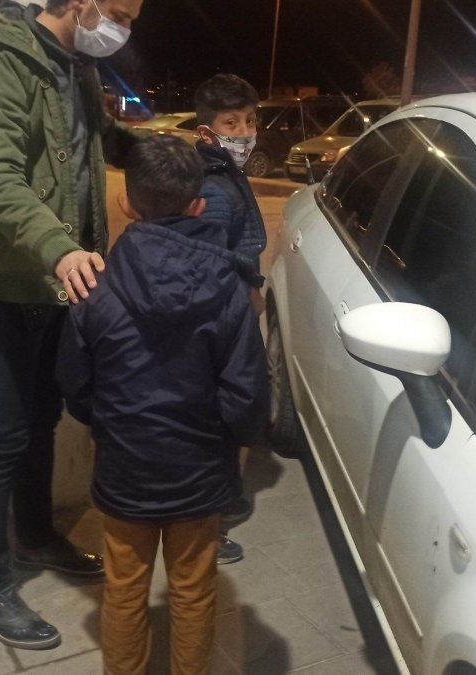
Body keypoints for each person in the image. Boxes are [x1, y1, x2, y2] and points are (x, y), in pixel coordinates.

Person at [0, 0, 143, 650]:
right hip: (5, 281)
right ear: (81, 3)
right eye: (120, 13)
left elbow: (97, 140)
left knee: (41, 418)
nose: (124, 29)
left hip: (58, 279)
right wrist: (59, 248)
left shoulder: (77, 64)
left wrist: (163, 153)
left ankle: (33, 535)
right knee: (2, 435)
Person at [56, 136, 269, 675]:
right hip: (199, 471)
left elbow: (76, 385)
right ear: (197, 205)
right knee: (194, 590)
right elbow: (247, 393)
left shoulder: (96, 286)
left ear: (127, 203)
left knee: (124, 588)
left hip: (125, 467)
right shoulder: (229, 285)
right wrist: (226, 443)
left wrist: (112, 424)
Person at [192, 73, 269, 565]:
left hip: (232, 309)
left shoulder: (224, 171)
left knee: (228, 409)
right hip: (224, 315)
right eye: (231, 123)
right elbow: (215, 258)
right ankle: (208, 526)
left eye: (250, 120)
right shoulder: (214, 185)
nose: (244, 132)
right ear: (207, 130)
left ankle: (222, 500)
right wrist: (249, 290)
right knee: (223, 413)